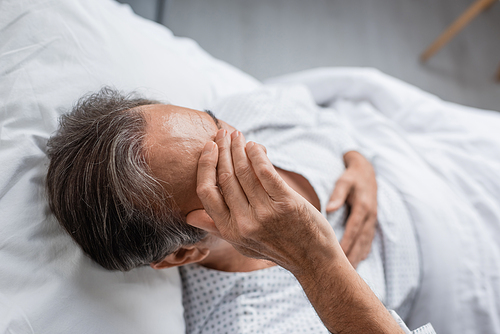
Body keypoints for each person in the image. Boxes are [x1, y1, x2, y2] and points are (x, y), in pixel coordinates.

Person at [46, 86, 434, 333]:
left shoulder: (240, 114)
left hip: (425, 160)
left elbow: (321, 110)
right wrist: (314, 261)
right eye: (223, 176)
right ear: (184, 252)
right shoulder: (254, 323)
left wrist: (358, 158)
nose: (254, 151)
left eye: (216, 126)